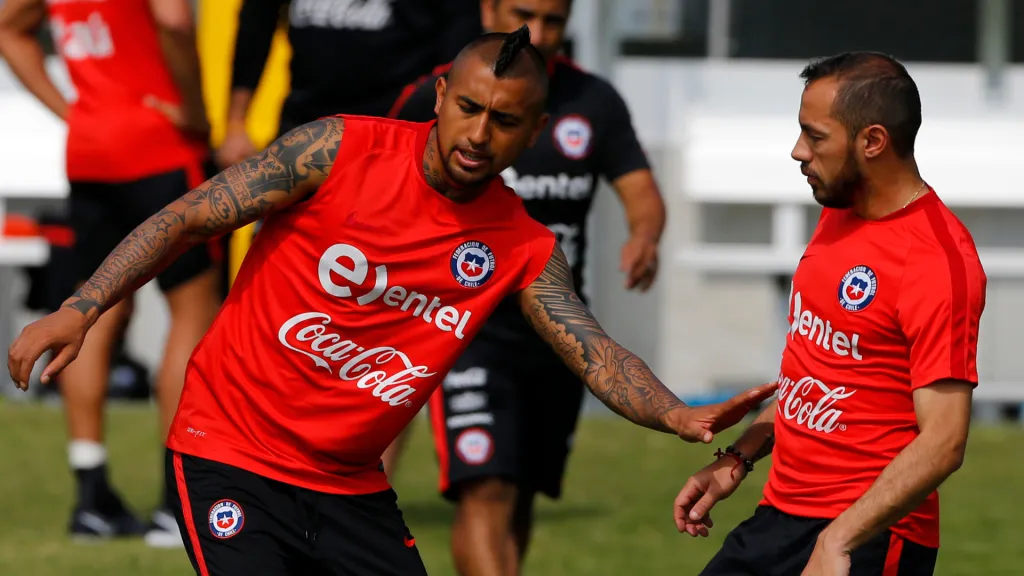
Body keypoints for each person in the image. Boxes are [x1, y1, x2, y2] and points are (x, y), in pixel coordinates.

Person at [8, 27, 776, 576]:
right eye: (468, 107)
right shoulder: (337, 148)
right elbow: (189, 217)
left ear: (535, 132)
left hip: (348, 485)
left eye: (506, 121)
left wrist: (676, 414)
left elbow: (593, 350)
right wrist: (83, 305)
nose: (479, 134)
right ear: (441, 95)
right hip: (230, 451)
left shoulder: (523, 246)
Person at [672, 52, 987, 576]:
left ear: (873, 142)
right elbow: (819, 379)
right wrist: (739, 457)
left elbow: (945, 440)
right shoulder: (838, 211)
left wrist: (839, 539)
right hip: (779, 516)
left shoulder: (937, 261)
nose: (798, 151)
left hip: (871, 535)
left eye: (815, 136)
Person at [382, 0, 666, 573]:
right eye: (522, 14)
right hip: (467, 327)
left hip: (556, 332)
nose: (536, 33)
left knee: (519, 498)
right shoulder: (442, 94)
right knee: (487, 488)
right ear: (488, 8)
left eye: (553, 21)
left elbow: (641, 191)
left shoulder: (594, 101)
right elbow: (382, 185)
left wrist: (644, 237)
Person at [0, 0, 224, 548]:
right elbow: (174, 19)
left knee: (92, 312)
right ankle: (176, 504)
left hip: (91, 150)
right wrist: (196, 111)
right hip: (159, 142)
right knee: (193, 311)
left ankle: (91, 494)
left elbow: (8, 27)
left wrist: (73, 111)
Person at [215, 0, 483, 167]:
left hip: (395, 137)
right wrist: (236, 124)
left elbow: (458, 57)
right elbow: (256, 24)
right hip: (304, 128)